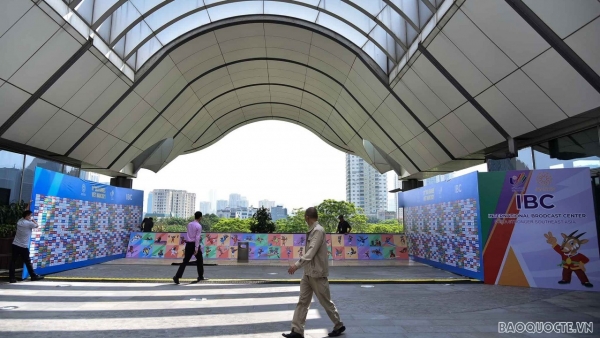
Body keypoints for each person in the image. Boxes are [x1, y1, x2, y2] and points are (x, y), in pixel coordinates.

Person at [283, 207, 345, 338]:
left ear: (307, 217)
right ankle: (297, 330)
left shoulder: (318, 231)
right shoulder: (312, 231)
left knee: (325, 301)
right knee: (303, 301)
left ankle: (338, 325)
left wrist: (296, 265)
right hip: (308, 273)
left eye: (305, 218)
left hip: (317, 273)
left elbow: (311, 252)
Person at [9, 210, 45, 283]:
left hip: (15, 244)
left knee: (13, 261)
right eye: (30, 215)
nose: (31, 217)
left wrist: (29, 204)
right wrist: (33, 220)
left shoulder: (20, 221)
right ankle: (33, 276)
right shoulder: (29, 223)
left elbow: (25, 212)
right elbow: (37, 225)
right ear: (27, 216)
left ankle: (12, 278)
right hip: (23, 246)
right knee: (27, 261)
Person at [173, 211, 207, 284]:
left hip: (188, 244)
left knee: (185, 261)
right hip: (194, 244)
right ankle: (200, 276)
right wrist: (196, 248)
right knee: (200, 260)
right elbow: (197, 238)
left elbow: (189, 234)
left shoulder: (189, 224)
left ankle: (177, 276)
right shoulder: (198, 226)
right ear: (200, 217)